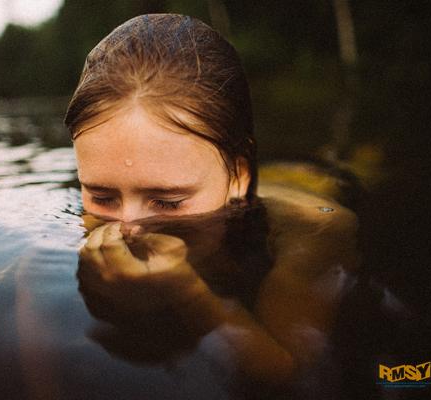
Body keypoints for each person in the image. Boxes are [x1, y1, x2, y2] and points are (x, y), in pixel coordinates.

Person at [64, 14, 359, 386]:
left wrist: (188, 292)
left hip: (312, 183)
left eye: (168, 202)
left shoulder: (315, 228)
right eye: (102, 195)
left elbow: (285, 373)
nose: (128, 227)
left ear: (239, 175)